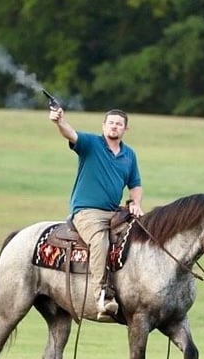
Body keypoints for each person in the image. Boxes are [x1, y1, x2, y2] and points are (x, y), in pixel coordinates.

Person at [49, 105, 144, 318]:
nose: (114, 126)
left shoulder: (129, 155)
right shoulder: (91, 144)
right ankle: (101, 295)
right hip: (87, 211)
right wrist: (59, 121)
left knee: (144, 232)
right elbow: (70, 134)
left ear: (125, 130)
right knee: (100, 240)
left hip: (115, 212)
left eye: (119, 124)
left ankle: (140, 289)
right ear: (103, 126)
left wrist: (135, 202)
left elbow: (135, 183)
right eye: (111, 122)